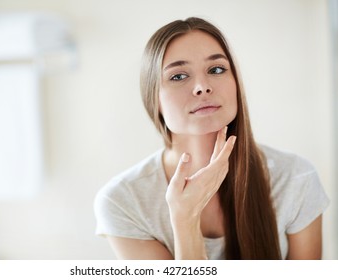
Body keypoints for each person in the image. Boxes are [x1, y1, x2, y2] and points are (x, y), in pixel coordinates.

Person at [94, 17, 330, 260]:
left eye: (216, 70)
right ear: (154, 100)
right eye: (178, 76)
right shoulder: (124, 201)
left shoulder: (296, 179)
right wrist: (185, 219)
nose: (201, 87)